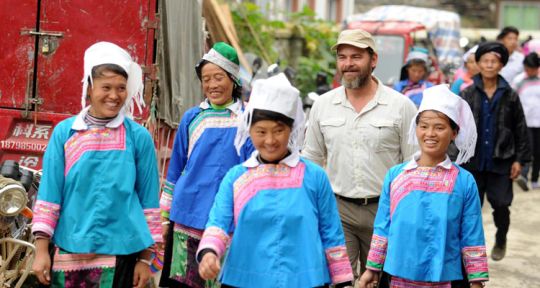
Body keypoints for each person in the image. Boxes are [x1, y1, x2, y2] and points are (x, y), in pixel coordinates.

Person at [197, 73, 354, 288]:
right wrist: (209, 253)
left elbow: (331, 232)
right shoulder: (236, 177)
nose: (270, 141)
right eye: (261, 132)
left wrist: (343, 282)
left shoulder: (315, 176)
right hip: (245, 280)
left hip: (306, 280)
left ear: (291, 129)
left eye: (278, 131)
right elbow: (218, 222)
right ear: (249, 130)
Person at [31, 42, 160, 287]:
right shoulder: (65, 133)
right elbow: (49, 194)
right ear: (89, 88)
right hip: (68, 247)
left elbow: (149, 201)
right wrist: (40, 250)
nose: (114, 96)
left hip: (123, 251)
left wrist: (145, 259)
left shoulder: (138, 137)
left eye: (121, 88)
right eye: (106, 87)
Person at [302, 29, 417, 279]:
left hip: (385, 212)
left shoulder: (401, 106)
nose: (348, 64)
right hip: (338, 210)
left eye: (356, 57)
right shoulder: (323, 105)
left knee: (379, 279)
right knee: (337, 279)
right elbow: (310, 160)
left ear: (373, 59)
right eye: (342, 57)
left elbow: (413, 166)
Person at [358, 84, 488, 288]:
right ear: (415, 128)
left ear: (454, 132)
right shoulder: (396, 175)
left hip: (446, 276)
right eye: (424, 126)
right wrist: (372, 269)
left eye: (439, 127)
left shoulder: (464, 181)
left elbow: (471, 233)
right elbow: (383, 226)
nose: (430, 133)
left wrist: (476, 280)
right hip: (397, 275)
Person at [159, 42, 254, 288]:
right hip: (187, 216)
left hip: (229, 220)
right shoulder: (192, 117)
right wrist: (163, 217)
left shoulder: (247, 120)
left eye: (218, 77)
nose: (212, 85)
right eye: (206, 79)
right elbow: (176, 168)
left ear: (233, 79)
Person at [460, 41, 531, 261]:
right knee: (471, 209)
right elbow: (458, 127)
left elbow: (520, 127)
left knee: (501, 204)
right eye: (485, 61)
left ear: (501, 65)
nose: (490, 65)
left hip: (502, 159)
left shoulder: (510, 94)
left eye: (494, 61)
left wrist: (520, 160)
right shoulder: (468, 93)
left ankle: (501, 237)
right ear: (478, 64)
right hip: (473, 160)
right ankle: (470, 250)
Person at [512, 52, 540, 190]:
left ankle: (535, 179)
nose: (530, 71)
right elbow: (512, 101)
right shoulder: (518, 81)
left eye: (533, 69)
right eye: (528, 69)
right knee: (527, 150)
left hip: (539, 121)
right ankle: (523, 175)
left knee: (538, 152)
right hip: (525, 122)